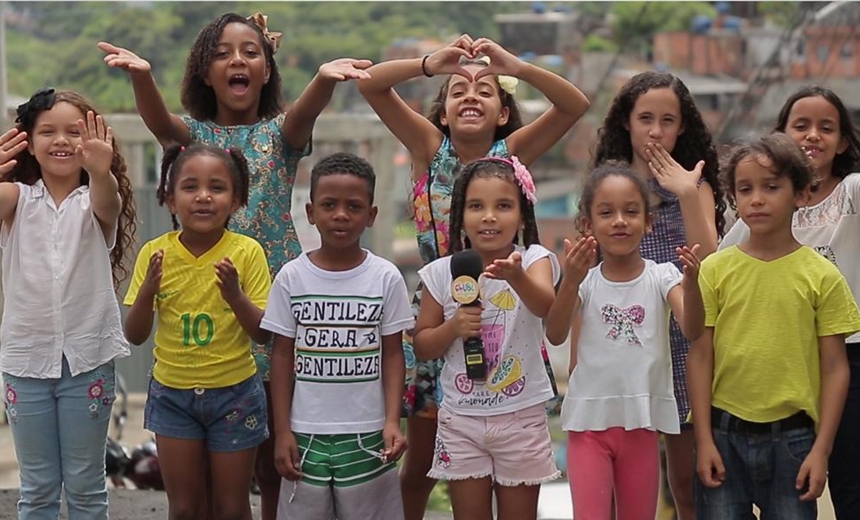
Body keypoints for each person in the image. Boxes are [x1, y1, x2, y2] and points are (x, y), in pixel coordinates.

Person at [99, 13, 371, 517]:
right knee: (207, 467)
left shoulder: (280, 135)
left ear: (267, 69)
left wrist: (324, 79)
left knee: (273, 459)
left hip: (271, 305)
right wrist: (141, 76)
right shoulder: (194, 141)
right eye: (222, 53)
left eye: (250, 52)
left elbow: (304, 114)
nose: (237, 61)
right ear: (204, 72)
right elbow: (160, 123)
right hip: (205, 310)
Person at [358, 34, 589, 518]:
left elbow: (574, 104)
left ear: (503, 113)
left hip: (507, 320)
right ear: (442, 112)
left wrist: (517, 67)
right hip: (439, 310)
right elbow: (371, 87)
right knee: (421, 461)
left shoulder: (513, 151)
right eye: (458, 89)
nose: (471, 95)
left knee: (505, 450)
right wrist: (428, 64)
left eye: (486, 89)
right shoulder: (428, 145)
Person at [689, 133, 860, 519]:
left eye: (771, 187)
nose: (757, 199)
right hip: (722, 434)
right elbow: (700, 356)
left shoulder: (823, 276)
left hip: (795, 440)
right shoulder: (715, 269)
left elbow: (836, 368)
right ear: (734, 198)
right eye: (745, 189)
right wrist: (703, 439)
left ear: (800, 194)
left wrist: (821, 451)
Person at [592, 70, 725, 519]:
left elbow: (713, 263)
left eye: (667, 120)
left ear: (682, 126)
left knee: (686, 483)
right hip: (622, 340)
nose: (655, 131)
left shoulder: (695, 185)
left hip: (687, 339)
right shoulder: (608, 187)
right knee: (617, 480)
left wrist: (685, 192)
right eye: (644, 118)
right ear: (625, 122)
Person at [0, 88, 136, 519]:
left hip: (88, 361)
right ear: (28, 141)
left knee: (85, 485)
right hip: (25, 363)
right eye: (47, 131)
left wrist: (102, 171)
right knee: (37, 488)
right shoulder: (17, 200)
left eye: (73, 132)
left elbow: (108, 199)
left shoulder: (95, 201)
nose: (61, 140)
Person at [546, 162, 704, 520]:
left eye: (631, 212)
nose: (619, 221)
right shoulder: (584, 282)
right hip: (588, 425)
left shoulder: (663, 275)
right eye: (606, 212)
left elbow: (692, 328)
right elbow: (555, 333)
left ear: (647, 222)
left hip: (641, 424)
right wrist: (570, 280)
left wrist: (692, 284)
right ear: (588, 225)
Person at [123, 143, 272, 520]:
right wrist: (146, 293)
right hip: (173, 396)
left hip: (234, 395)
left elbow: (262, 333)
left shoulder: (247, 252)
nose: (203, 196)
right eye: (190, 187)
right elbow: (135, 334)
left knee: (232, 507)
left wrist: (235, 295)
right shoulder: (154, 253)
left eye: (217, 187)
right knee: (186, 507)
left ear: (236, 200)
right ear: (170, 200)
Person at [262, 152, 412, 520]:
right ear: (311, 212)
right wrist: (282, 431)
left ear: (371, 215)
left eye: (354, 206)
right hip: (305, 435)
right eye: (329, 205)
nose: (341, 215)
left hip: (368, 434)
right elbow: (281, 357)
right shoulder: (291, 278)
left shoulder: (385, 277)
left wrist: (392, 421)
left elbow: (394, 354)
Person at [413, 157, 560, 520]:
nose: (489, 216)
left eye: (503, 206)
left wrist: (517, 277)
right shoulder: (439, 273)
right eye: (476, 206)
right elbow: (422, 344)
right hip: (461, 419)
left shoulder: (534, 259)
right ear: (460, 217)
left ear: (522, 216)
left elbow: (546, 305)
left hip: (520, 416)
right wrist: (453, 328)